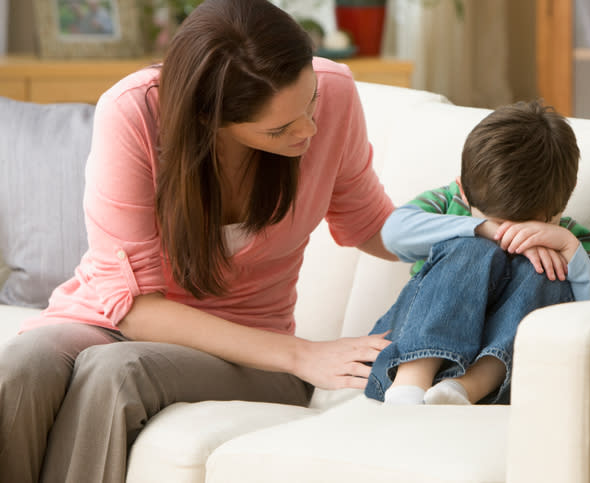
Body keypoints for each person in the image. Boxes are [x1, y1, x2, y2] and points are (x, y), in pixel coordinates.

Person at [0, 1, 396, 481]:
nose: (309, 130)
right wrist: (305, 354)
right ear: (209, 119)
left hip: (253, 350)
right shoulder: (134, 113)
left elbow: (369, 223)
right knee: (22, 364)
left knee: (116, 373)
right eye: (279, 128)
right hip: (112, 320)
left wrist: (469, 227)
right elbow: (134, 307)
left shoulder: (333, 91)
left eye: (308, 103)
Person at [364, 100, 590, 406]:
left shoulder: (573, 242)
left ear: (563, 204)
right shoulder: (448, 205)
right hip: (399, 361)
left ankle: (465, 388)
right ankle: (409, 386)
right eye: (501, 225)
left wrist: (570, 251)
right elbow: (393, 233)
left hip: (492, 387)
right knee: (471, 246)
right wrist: (483, 229)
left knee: (548, 270)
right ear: (463, 191)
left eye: (532, 227)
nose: (513, 237)